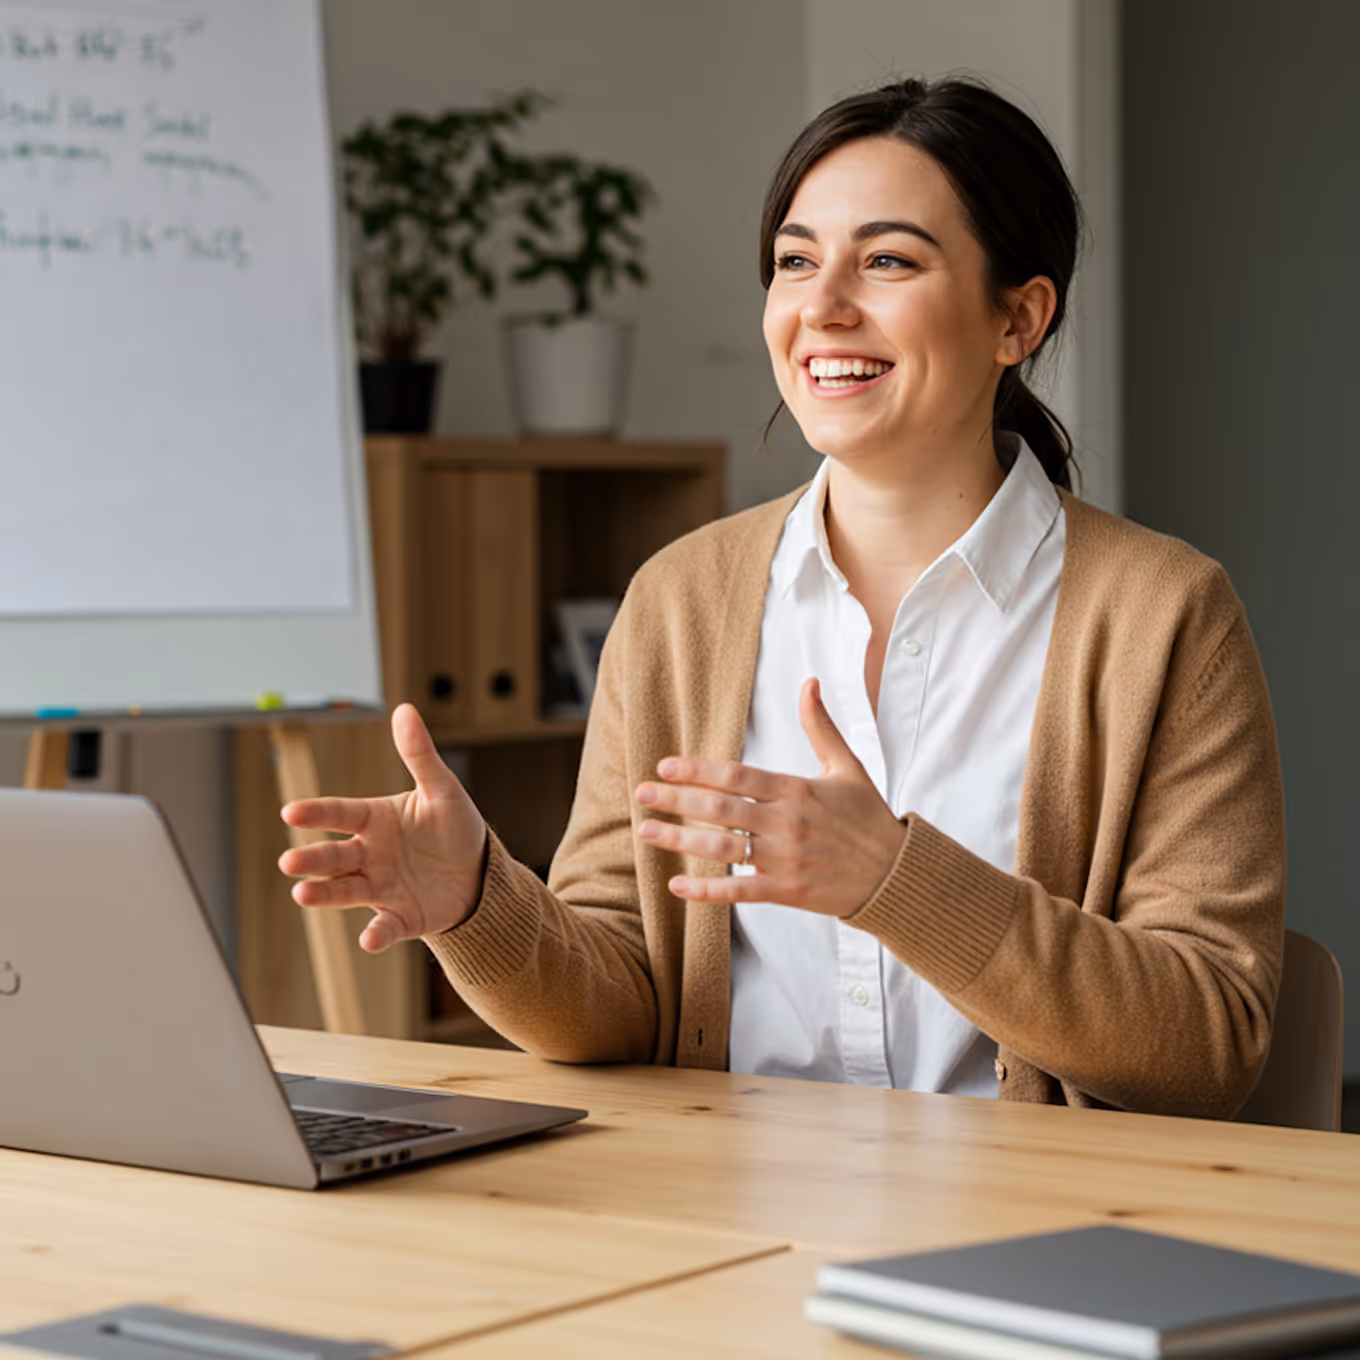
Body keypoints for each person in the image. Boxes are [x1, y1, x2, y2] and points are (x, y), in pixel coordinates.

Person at [281, 78, 1285, 1118]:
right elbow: (621, 992)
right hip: (724, 1212)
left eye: (887, 260)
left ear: (1018, 320)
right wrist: (478, 903)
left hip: (1032, 1234)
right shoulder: (681, 600)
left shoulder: (1165, 616)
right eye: (794, 262)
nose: (822, 307)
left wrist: (896, 879)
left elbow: (1210, 1039)